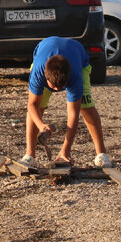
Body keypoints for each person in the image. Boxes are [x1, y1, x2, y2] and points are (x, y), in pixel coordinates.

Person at [22, 36, 112, 168]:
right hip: (44, 51)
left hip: (77, 56)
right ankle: (29, 156)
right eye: (54, 87)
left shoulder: (75, 75)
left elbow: (73, 114)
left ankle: (101, 154)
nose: (58, 90)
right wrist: (41, 125)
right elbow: (31, 105)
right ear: (45, 78)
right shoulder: (38, 72)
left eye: (62, 87)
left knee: (86, 107)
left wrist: (66, 149)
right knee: (37, 107)